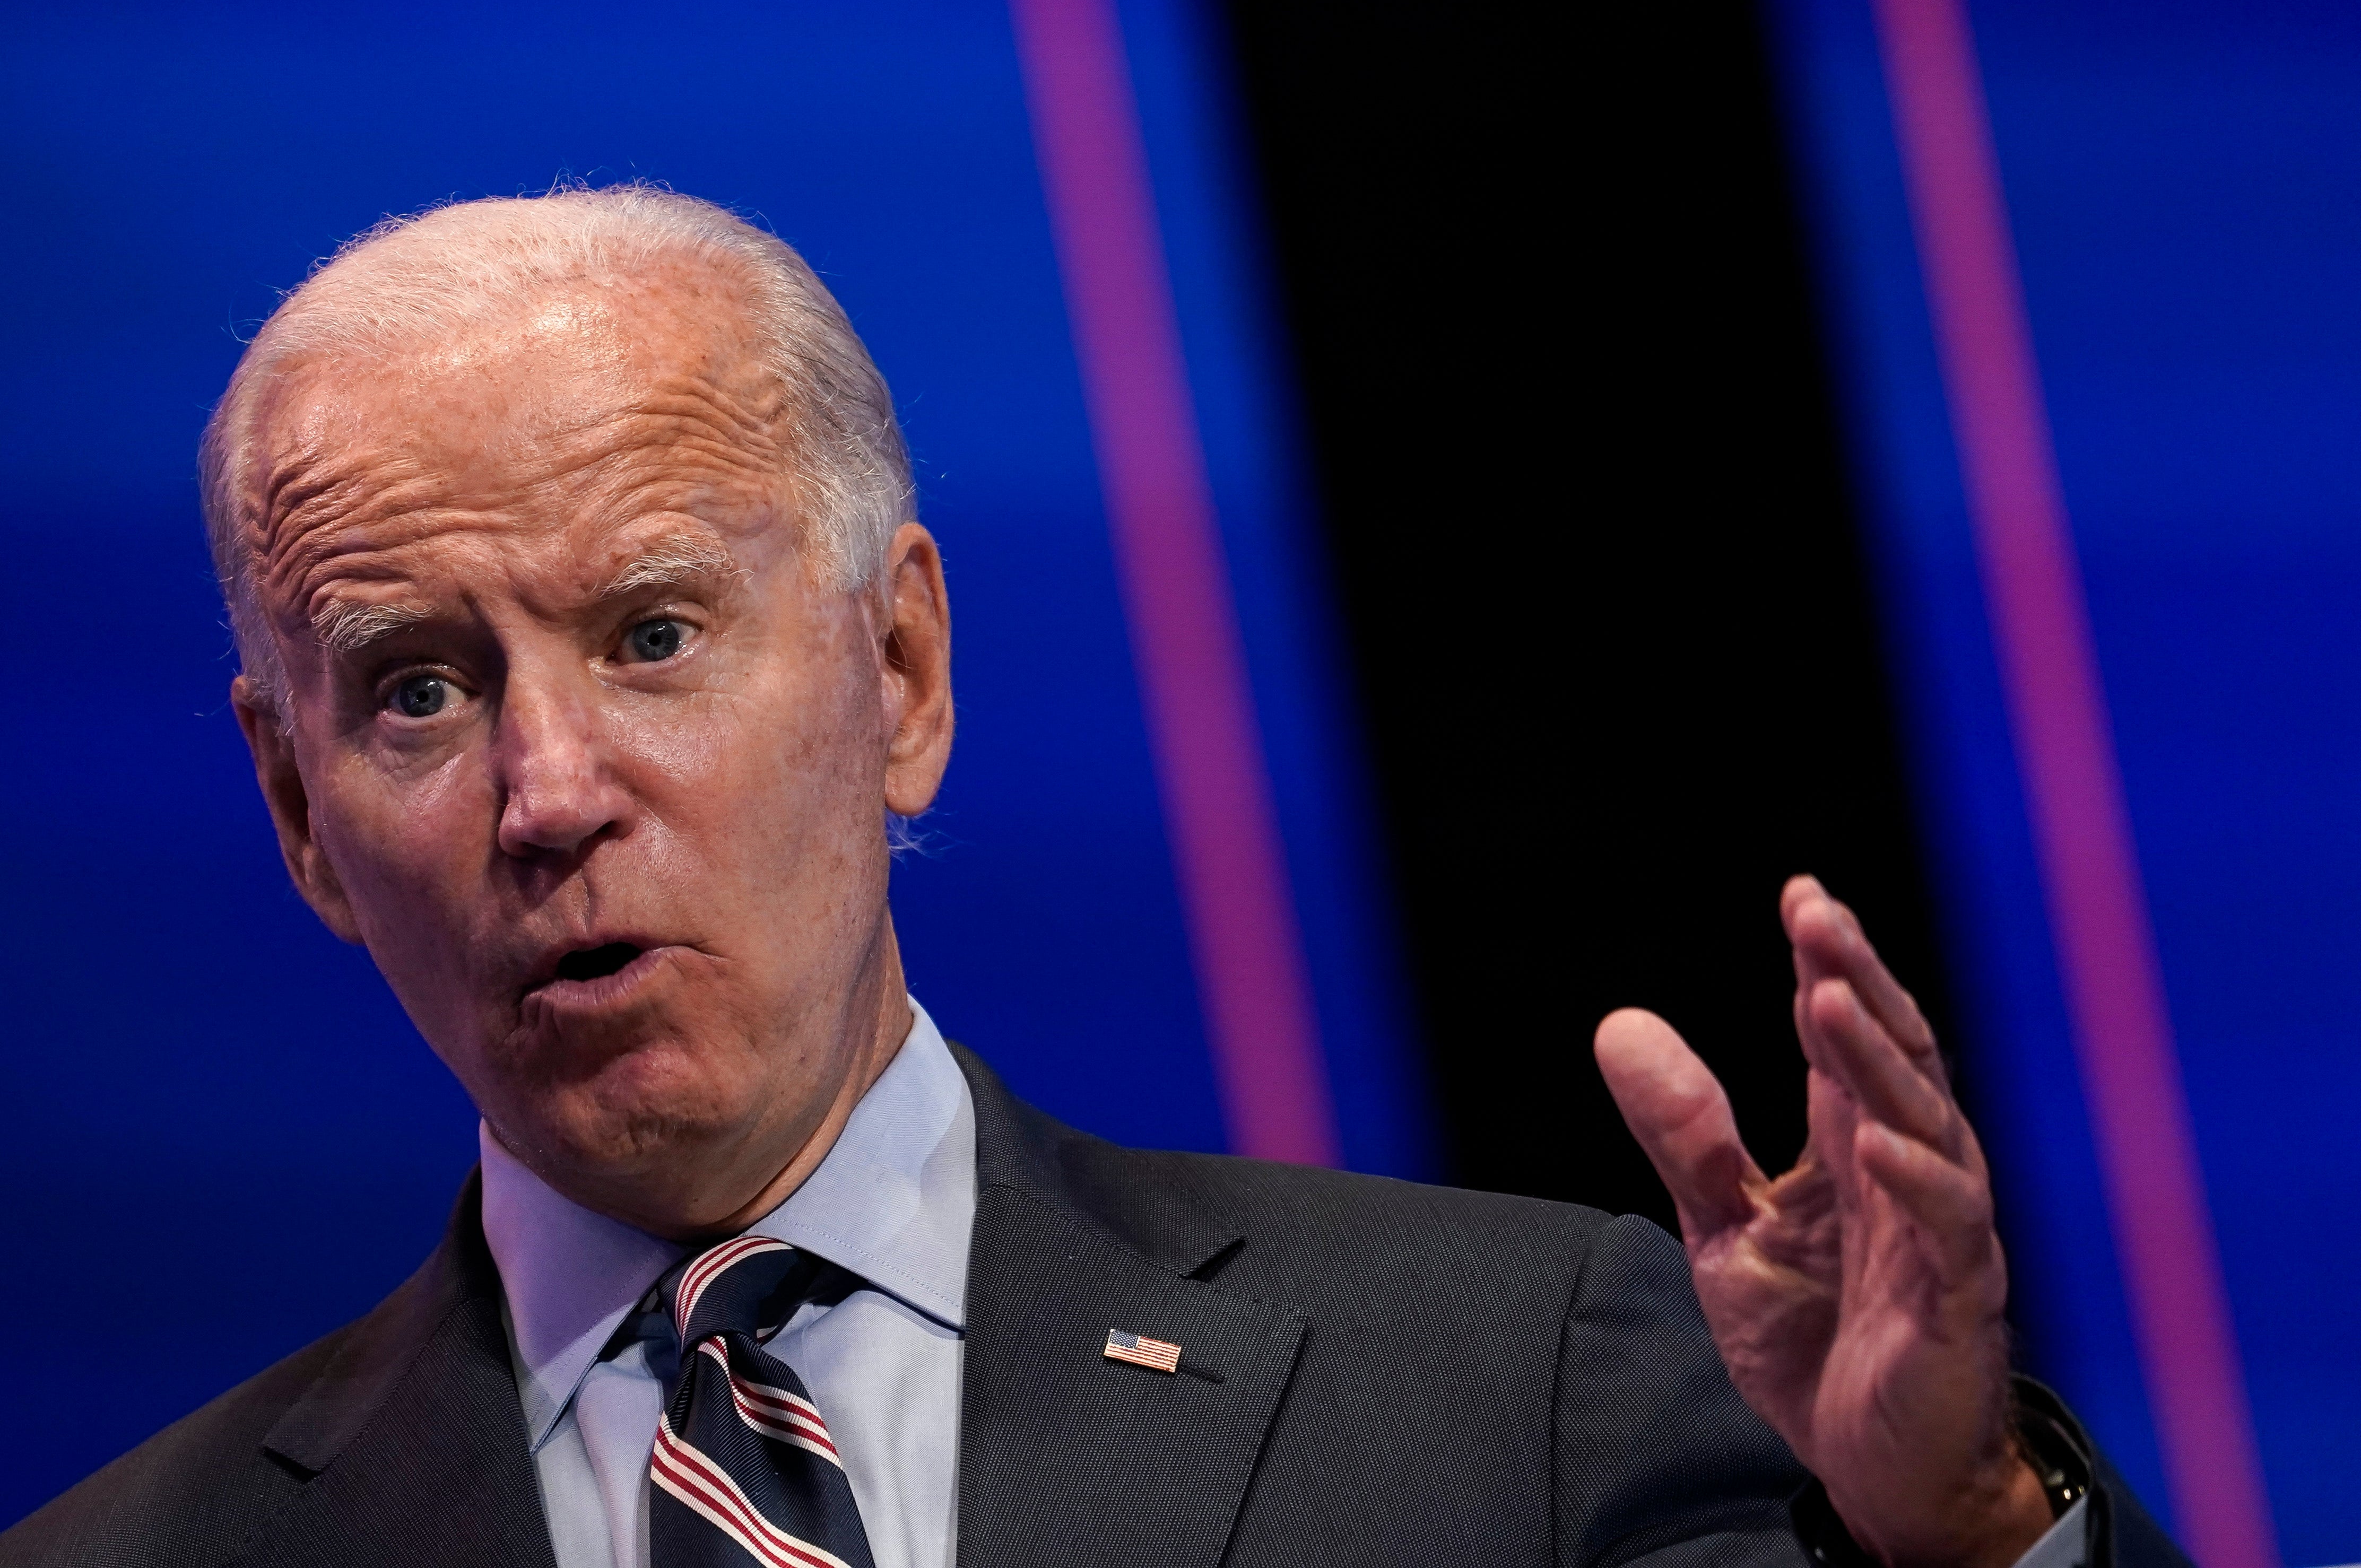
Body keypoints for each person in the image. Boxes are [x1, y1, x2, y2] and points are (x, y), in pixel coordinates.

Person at [0, 187, 2186, 1568]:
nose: (548, 789)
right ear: (295, 812)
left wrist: (1969, 1530)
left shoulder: (1516, 1377)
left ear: (905, 669)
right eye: (414, 691)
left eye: (654, 633)